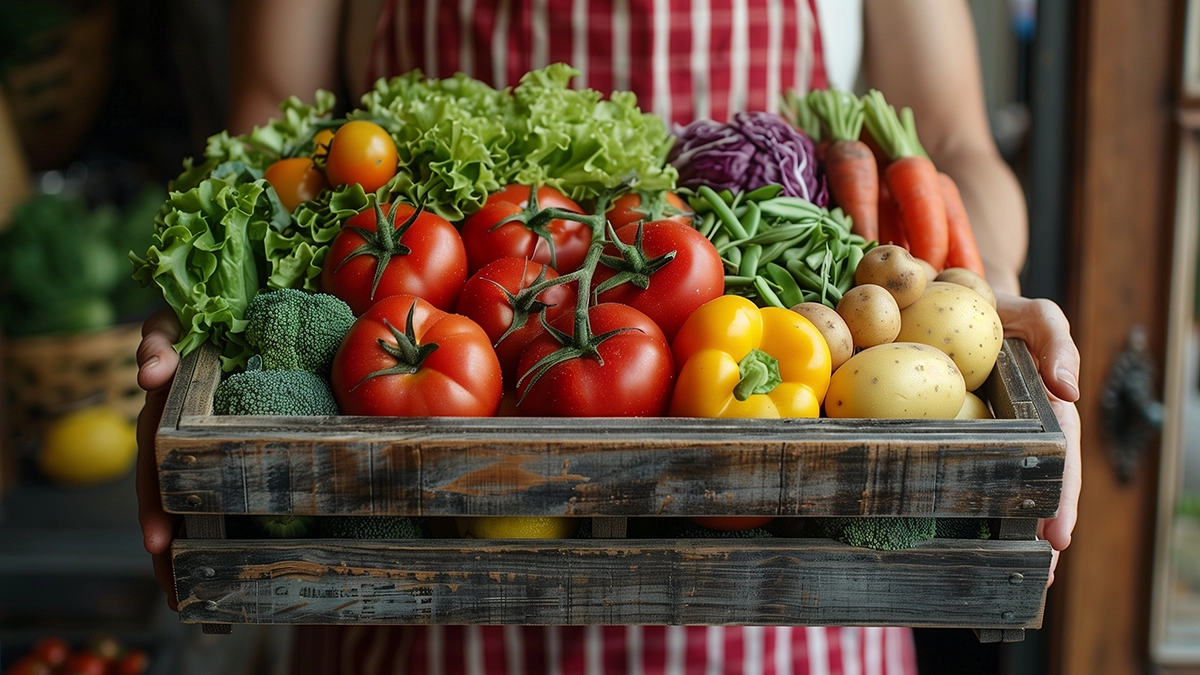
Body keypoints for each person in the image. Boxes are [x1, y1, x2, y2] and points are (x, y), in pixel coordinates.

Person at [136, 1, 1083, 673]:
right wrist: (220, 278)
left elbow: (954, 140)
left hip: (787, 586)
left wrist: (979, 298)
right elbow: (273, 107)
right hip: (422, 569)